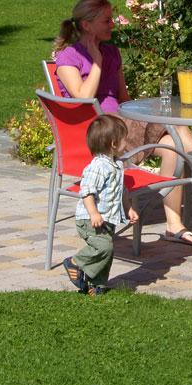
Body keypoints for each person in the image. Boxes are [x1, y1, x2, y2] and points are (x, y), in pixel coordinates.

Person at [54, 0, 192, 247]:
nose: (112, 25)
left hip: (120, 125)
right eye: (106, 20)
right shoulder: (68, 57)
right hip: (97, 134)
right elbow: (83, 99)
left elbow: (123, 98)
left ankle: (174, 224)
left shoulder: (112, 52)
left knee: (173, 141)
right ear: (87, 25)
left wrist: (141, 115)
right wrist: (97, 62)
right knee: (176, 128)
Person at [62, 115, 139, 297]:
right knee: (104, 247)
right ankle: (76, 263)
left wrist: (128, 208)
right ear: (113, 143)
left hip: (107, 220)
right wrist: (93, 213)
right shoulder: (98, 166)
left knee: (107, 252)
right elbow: (87, 191)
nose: (126, 143)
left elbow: (121, 190)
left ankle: (97, 286)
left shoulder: (116, 165)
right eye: (124, 139)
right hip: (90, 219)